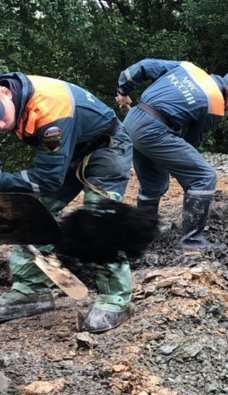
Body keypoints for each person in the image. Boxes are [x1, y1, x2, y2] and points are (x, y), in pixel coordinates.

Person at [0, 71, 134, 332]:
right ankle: (31, 291)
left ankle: (115, 299)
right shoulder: (13, 98)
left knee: (98, 219)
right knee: (30, 212)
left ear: (3, 91)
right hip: (71, 150)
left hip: (106, 148)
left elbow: (47, 179)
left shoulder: (50, 109)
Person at [115, 59, 228, 249]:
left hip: (131, 122)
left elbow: (144, 66)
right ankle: (192, 240)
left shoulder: (188, 68)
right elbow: (191, 142)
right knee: (204, 176)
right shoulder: (215, 104)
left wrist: (123, 91)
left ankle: (143, 234)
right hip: (153, 130)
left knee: (154, 184)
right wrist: (184, 174)